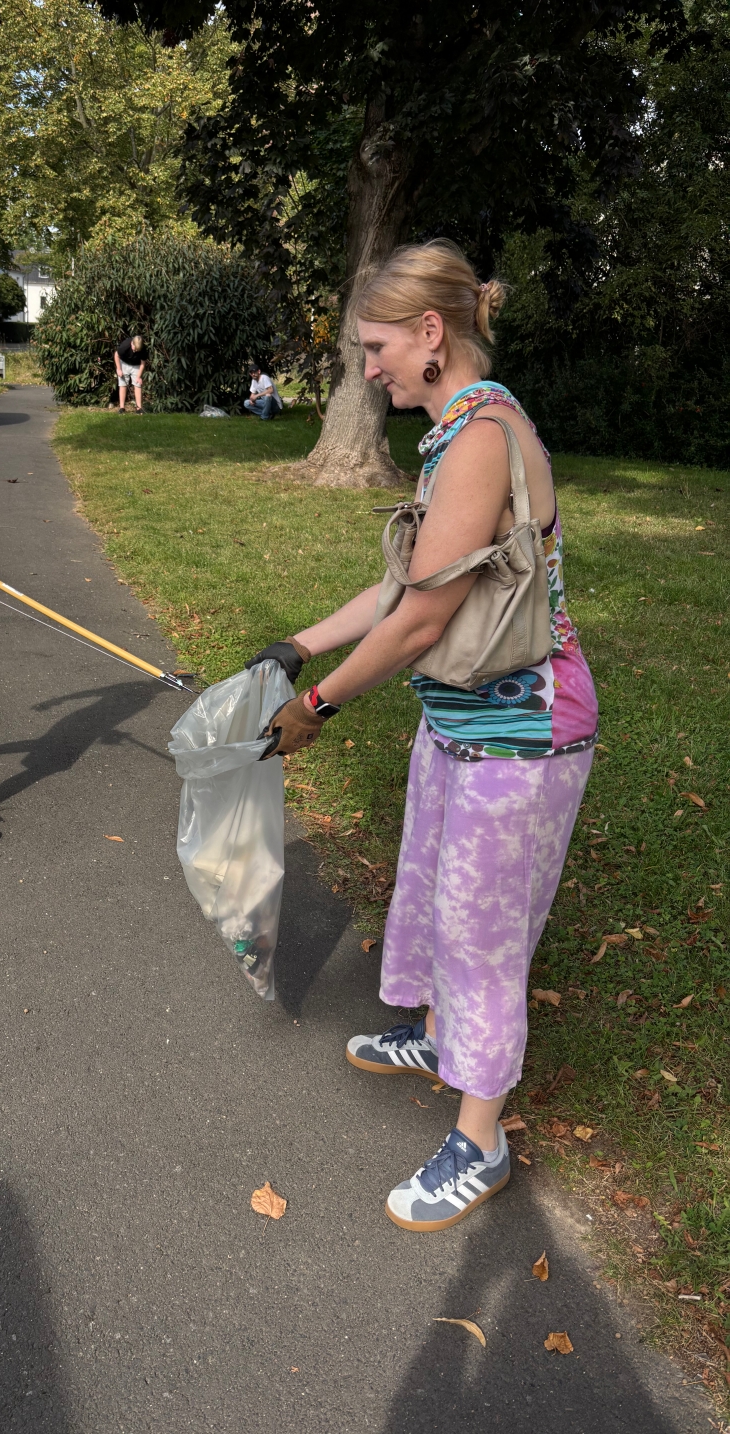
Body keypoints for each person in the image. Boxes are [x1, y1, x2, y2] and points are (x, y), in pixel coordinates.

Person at [246, 239, 598, 1232]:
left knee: (484, 937)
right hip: (462, 723)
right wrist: (296, 645)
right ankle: (442, 1040)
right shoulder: (454, 432)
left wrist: (314, 709)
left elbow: (420, 621)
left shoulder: (484, 435)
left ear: (431, 335)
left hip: (523, 735)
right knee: (437, 885)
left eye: (376, 346)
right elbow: (404, 586)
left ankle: (479, 1141)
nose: (369, 367)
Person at [114, 334, 147, 413]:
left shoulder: (143, 348)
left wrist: (138, 377)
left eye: (137, 350)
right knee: (122, 385)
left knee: (138, 385)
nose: (135, 351)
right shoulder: (125, 345)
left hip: (136, 365)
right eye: (134, 349)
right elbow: (116, 355)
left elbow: (143, 363)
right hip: (124, 363)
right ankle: (122, 408)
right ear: (132, 343)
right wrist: (119, 369)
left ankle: (139, 408)